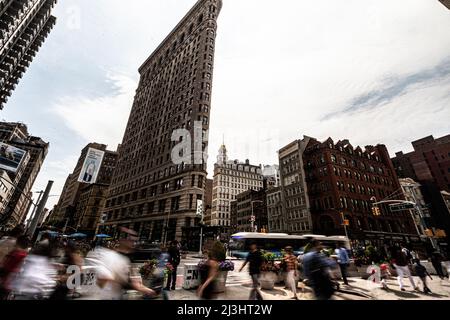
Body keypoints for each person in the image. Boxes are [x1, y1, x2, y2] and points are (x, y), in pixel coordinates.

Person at [84, 228, 156, 300]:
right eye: (131, 240)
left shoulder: (126, 259)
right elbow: (102, 279)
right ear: (122, 240)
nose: (133, 243)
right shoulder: (106, 254)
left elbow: (135, 282)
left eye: (135, 240)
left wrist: (145, 289)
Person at [0, 235, 30, 300]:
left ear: (17, 242)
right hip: (15, 286)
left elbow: (6, 269)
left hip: (6, 284)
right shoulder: (27, 256)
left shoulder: (15, 254)